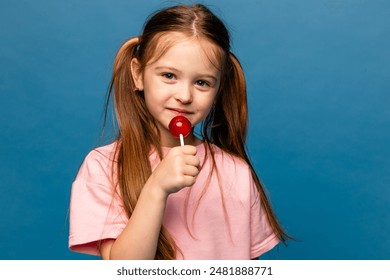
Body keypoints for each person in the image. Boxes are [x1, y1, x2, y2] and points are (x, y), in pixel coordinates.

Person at [68, 3, 290, 260]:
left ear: (218, 91)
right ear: (138, 74)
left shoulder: (236, 172)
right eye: (169, 75)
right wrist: (156, 189)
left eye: (202, 82)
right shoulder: (103, 166)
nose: (184, 96)